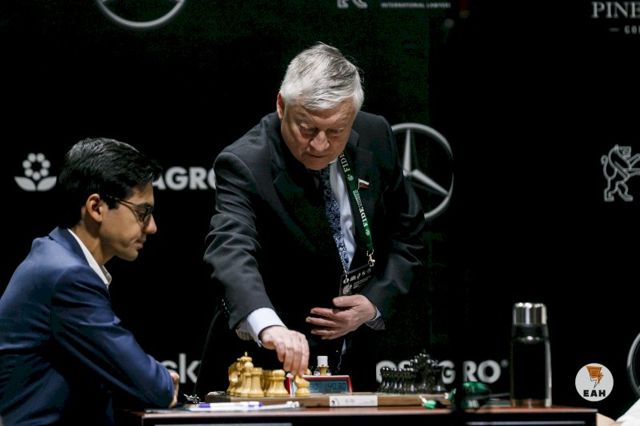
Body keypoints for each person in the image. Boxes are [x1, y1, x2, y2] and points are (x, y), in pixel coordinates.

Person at [197, 42, 426, 394]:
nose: (320, 145)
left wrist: (374, 303)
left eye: (335, 131)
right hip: (267, 366)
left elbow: (408, 234)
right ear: (281, 106)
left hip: (354, 359)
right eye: (307, 129)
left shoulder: (376, 135)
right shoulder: (245, 163)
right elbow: (230, 249)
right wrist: (269, 326)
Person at [0, 138, 179, 425]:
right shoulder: (68, 277)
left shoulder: (55, 260)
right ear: (96, 207)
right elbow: (154, 388)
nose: (152, 227)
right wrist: (164, 380)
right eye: (142, 212)